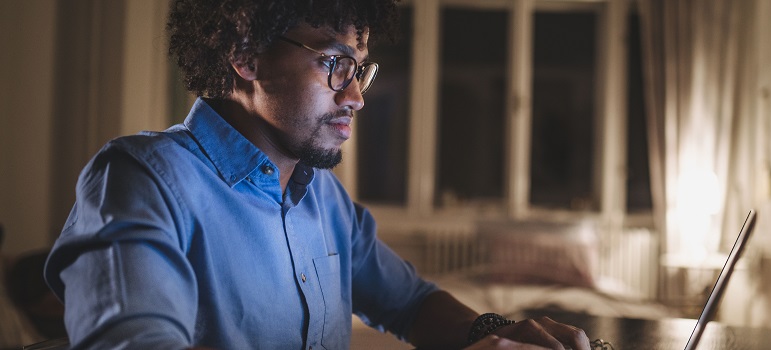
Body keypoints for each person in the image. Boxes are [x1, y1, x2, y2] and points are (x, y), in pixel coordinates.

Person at [44, 0, 595, 349]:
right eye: (334, 63)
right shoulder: (142, 179)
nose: (355, 97)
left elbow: (410, 302)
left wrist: (493, 333)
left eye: (361, 69)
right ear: (245, 53)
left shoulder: (324, 198)